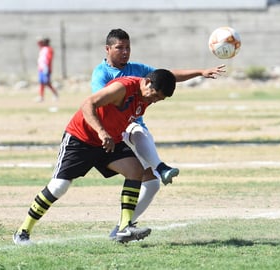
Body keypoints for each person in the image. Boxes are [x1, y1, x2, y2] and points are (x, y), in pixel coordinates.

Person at [13, 69, 177, 245]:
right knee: (59, 186)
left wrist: (200, 73)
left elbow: (171, 77)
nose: (154, 100)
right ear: (147, 82)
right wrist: (101, 132)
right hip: (81, 139)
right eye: (154, 95)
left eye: (159, 99)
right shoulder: (122, 88)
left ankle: (124, 228)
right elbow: (88, 104)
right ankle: (22, 232)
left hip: (109, 142)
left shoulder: (146, 96)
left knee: (135, 170)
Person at [92, 28, 226, 239]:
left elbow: (165, 77)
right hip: (118, 130)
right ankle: (161, 166)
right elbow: (101, 105)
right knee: (136, 129)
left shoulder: (137, 69)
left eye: (128, 47)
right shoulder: (102, 74)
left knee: (152, 184)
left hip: (135, 128)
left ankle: (122, 228)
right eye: (120, 48)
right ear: (107, 49)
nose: (125, 52)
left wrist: (200, 72)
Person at [36, 37, 58, 102]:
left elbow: (48, 59)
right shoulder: (42, 49)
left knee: (47, 83)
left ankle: (55, 94)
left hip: (46, 68)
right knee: (41, 83)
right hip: (41, 69)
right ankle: (41, 96)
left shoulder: (49, 49)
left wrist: (46, 68)